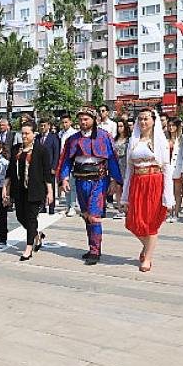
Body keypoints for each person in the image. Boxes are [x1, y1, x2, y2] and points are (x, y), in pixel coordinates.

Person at [58, 109, 123, 264]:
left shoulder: (104, 136)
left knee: (94, 216)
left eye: (86, 119)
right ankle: (92, 247)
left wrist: (115, 180)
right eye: (80, 119)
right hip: (80, 180)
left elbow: (112, 159)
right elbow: (66, 160)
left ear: (94, 119)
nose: (83, 122)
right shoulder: (72, 139)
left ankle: (95, 251)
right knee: (86, 215)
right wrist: (64, 178)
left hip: (99, 181)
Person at [120, 109, 174, 272]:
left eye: (146, 119)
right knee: (133, 221)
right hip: (137, 182)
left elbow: (166, 168)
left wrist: (168, 196)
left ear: (153, 121)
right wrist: (124, 195)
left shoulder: (159, 141)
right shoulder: (134, 140)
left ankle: (148, 257)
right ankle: (147, 246)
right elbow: (129, 168)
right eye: (141, 119)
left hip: (154, 182)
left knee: (151, 222)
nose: (143, 122)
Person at [5, 121, 53, 261]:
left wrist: (49, 191)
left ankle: (28, 248)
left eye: (27, 133)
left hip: (35, 189)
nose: (24, 136)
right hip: (19, 189)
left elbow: (46, 173)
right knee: (21, 216)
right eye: (23, 133)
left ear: (34, 134)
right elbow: (10, 170)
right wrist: (5, 187)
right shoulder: (16, 149)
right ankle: (36, 234)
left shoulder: (41, 150)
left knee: (31, 218)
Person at [58, 114, 79, 217]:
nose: (64, 124)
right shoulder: (60, 133)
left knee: (72, 185)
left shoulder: (74, 133)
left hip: (71, 161)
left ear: (70, 122)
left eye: (66, 122)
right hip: (62, 161)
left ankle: (72, 206)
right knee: (65, 184)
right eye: (63, 122)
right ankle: (67, 205)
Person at [37, 118, 60, 214]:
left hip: (50, 167)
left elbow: (56, 153)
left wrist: (54, 167)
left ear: (49, 126)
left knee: (51, 188)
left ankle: (51, 207)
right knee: (41, 187)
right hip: (39, 167)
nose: (42, 127)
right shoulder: (38, 138)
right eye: (41, 126)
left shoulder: (54, 137)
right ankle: (42, 206)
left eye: (44, 125)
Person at [166, 119, 183, 223]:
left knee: (177, 192)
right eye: (169, 125)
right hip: (167, 168)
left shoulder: (182, 139)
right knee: (168, 192)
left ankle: (176, 212)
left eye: (173, 126)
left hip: (177, 168)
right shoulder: (165, 139)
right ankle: (169, 212)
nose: (171, 128)